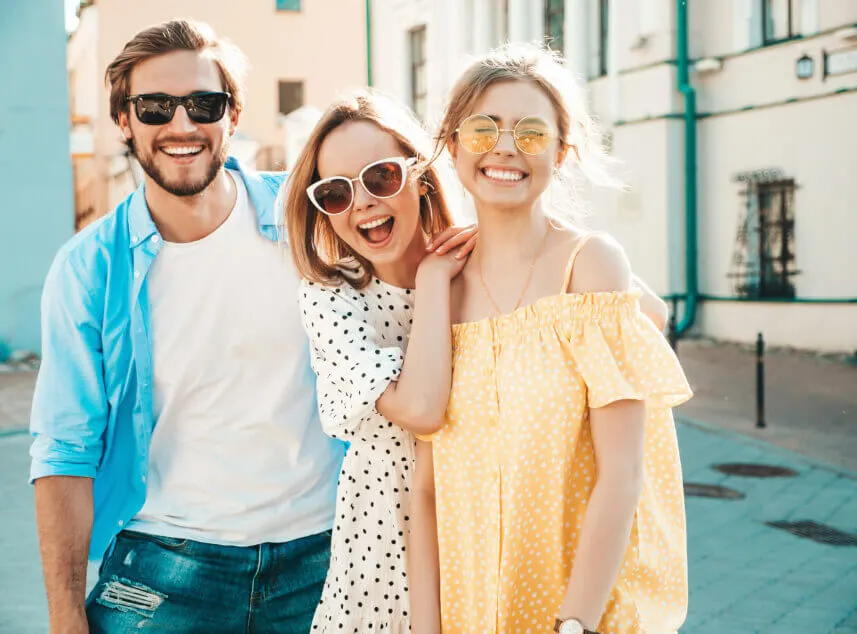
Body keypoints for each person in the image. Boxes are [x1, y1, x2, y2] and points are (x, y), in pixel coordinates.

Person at [29, 20, 343, 633]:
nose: (181, 125)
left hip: (327, 556)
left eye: (205, 104)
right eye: (155, 107)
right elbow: (64, 451)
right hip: (163, 567)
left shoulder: (311, 221)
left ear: (233, 115)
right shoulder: (88, 269)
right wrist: (65, 617)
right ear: (124, 119)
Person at [410, 43, 693, 634]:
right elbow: (429, 489)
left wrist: (575, 625)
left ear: (562, 152)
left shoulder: (590, 268)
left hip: (584, 613)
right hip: (472, 610)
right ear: (453, 142)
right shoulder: (441, 285)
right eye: (483, 128)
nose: (506, 148)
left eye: (532, 133)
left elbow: (623, 473)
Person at [284, 90, 475, 633]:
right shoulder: (329, 296)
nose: (362, 202)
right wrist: (435, 283)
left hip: (475, 504)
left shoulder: (479, 265)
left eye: (382, 177)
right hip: (383, 532)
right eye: (335, 193)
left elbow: (632, 305)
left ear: (421, 175)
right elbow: (419, 410)